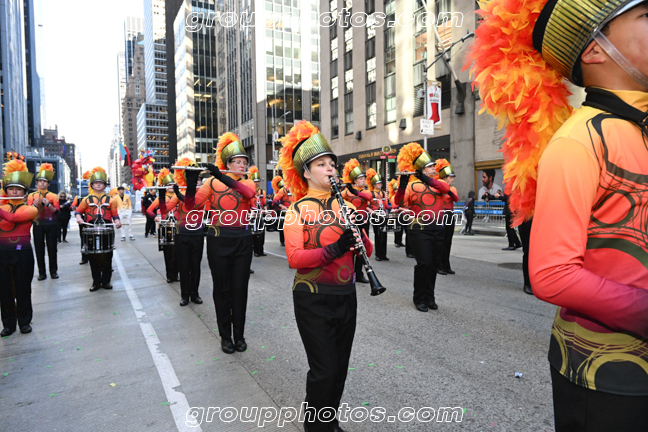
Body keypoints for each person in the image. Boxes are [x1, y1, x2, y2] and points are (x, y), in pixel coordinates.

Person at [471, 0, 648, 430]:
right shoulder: (578, 141)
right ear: (595, 49)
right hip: (608, 377)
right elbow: (552, 274)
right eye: (646, 17)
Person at [279, 120, 373, 432]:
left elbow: (367, 250)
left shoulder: (345, 205)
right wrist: (336, 248)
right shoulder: (296, 210)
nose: (330, 168)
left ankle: (329, 422)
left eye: (332, 163)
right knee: (324, 371)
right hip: (312, 298)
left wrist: (360, 232)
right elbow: (295, 259)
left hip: (346, 295)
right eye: (321, 164)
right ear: (306, 172)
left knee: (340, 369)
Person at [192, 132, 256, 354]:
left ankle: (239, 335)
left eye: (244, 162)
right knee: (222, 289)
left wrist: (220, 175)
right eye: (237, 161)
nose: (242, 165)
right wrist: (191, 182)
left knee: (240, 289)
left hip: (243, 240)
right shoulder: (211, 183)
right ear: (228, 164)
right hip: (218, 239)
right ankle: (225, 337)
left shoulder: (248, 181)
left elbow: (247, 194)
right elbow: (192, 205)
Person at [394, 143, 450, 312]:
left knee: (434, 264)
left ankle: (429, 297)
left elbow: (446, 188)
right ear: (423, 169)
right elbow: (398, 202)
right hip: (419, 229)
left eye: (433, 166)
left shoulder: (438, 183)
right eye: (430, 166)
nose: (434, 168)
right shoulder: (412, 186)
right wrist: (402, 185)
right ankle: (419, 298)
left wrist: (425, 179)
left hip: (438, 229)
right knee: (424, 263)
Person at [0, 159, 38, 336]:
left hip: (23, 253)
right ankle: (8, 324)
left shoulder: (30, 209)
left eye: (18, 189)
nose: (14, 191)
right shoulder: (2, 206)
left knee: (23, 288)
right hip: (2, 252)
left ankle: (24, 322)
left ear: (24, 192)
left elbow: (13, 219)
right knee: (4, 290)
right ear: (5, 190)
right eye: (11, 188)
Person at [164, 158, 204, 306]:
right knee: (184, 266)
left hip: (197, 233)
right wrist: (162, 195)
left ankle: (195, 294)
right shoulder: (178, 194)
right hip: (182, 234)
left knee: (195, 266)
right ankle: (185, 295)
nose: (197, 182)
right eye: (194, 179)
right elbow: (165, 209)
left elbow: (191, 203)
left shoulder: (202, 194)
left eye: (198, 179)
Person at [75, 167, 122, 291]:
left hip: (107, 228)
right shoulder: (86, 199)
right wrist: (79, 218)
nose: (99, 185)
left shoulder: (111, 200)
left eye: (101, 183)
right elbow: (78, 212)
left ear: (105, 185)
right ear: (92, 185)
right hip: (91, 228)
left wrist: (117, 221)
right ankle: (96, 282)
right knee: (93, 256)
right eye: (96, 183)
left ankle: (106, 281)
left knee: (107, 255)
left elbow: (114, 214)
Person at [341, 158, 373, 283]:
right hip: (350, 223)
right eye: (360, 179)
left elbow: (369, 197)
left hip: (363, 223)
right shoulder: (346, 192)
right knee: (350, 249)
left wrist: (354, 191)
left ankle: (359, 274)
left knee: (361, 249)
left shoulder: (366, 191)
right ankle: (349, 273)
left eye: (364, 178)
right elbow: (336, 200)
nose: (363, 180)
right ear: (354, 181)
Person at [27, 163, 60, 280]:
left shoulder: (53, 196)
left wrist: (48, 204)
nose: (42, 183)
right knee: (39, 249)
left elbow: (57, 212)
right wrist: (34, 206)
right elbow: (29, 212)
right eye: (40, 181)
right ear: (37, 183)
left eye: (45, 181)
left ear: (48, 184)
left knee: (52, 249)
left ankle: (53, 271)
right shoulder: (31, 196)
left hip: (51, 224)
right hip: (38, 225)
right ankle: (42, 273)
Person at [146, 169, 179, 283]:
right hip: (166, 227)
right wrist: (155, 217)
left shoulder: (179, 195)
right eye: (168, 184)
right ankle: (170, 275)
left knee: (178, 252)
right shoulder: (161, 197)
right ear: (164, 186)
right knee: (168, 252)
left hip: (179, 226)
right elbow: (149, 210)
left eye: (173, 184)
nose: (171, 186)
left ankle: (176, 274)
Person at [436, 159, 458, 275]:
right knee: (441, 241)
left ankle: (446, 265)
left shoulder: (452, 189)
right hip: (441, 215)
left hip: (450, 215)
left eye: (452, 177)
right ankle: (439, 265)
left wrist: (447, 190)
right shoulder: (437, 188)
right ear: (444, 178)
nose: (452, 180)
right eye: (450, 177)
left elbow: (456, 199)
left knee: (448, 241)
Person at [367, 168, 390, 261]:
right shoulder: (370, 193)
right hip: (375, 216)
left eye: (380, 183)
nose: (379, 184)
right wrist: (371, 211)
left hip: (383, 216)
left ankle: (383, 254)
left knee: (384, 234)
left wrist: (392, 209)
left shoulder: (383, 193)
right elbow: (366, 206)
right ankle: (378, 254)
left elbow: (386, 205)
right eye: (378, 183)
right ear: (374, 184)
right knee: (378, 234)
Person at [249, 166, 267, 257]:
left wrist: (265, 209)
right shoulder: (249, 192)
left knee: (262, 233)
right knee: (254, 233)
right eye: (255, 181)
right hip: (253, 216)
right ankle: (255, 251)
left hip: (260, 215)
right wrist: (251, 212)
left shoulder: (262, 192)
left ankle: (261, 250)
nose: (257, 183)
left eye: (258, 181)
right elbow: (247, 204)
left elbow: (264, 203)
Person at [272, 176, 293, 246]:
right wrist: (282, 206)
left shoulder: (298, 188)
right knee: (283, 228)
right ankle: (283, 241)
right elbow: (275, 201)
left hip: (296, 212)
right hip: (285, 213)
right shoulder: (283, 189)